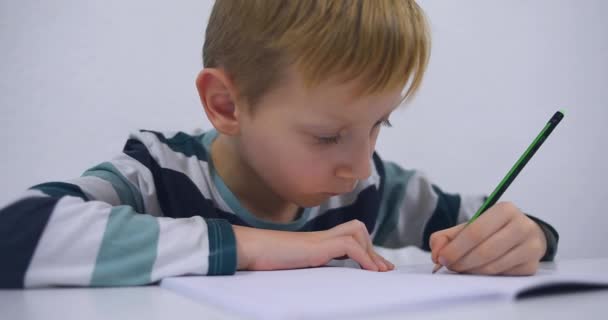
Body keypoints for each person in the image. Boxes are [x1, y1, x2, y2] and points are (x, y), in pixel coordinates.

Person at [0, 0, 557, 288]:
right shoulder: (158, 175)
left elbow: (489, 225)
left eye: (381, 124)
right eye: (327, 136)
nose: (361, 167)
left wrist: (524, 235)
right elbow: (15, 232)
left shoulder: (376, 189)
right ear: (227, 105)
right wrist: (253, 246)